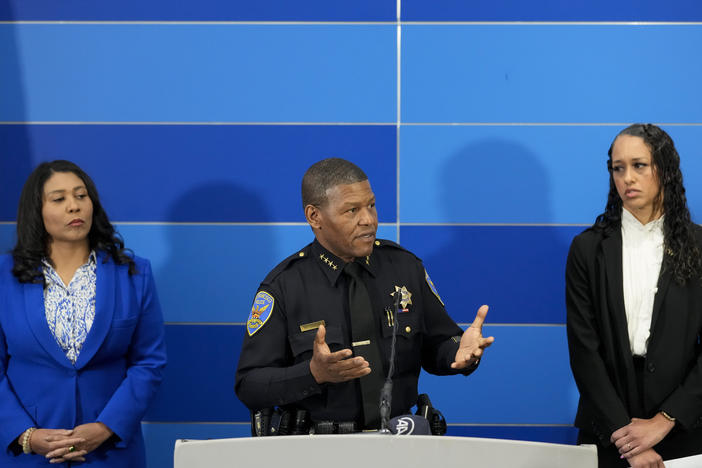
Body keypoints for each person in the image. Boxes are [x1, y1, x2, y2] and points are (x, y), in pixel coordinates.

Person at [235, 157, 494, 433]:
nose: (368, 220)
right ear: (314, 216)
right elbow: (249, 385)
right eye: (352, 210)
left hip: (402, 445)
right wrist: (313, 374)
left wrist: (461, 352)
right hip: (318, 454)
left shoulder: (405, 268)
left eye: (371, 205)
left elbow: (439, 347)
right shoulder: (284, 286)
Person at [0, 160, 167, 466]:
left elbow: (148, 361)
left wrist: (107, 427)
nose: (74, 207)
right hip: (28, 454)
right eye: (59, 199)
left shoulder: (133, 274)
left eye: (81, 196)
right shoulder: (3, 277)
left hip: (109, 452)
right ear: (36, 211)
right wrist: (26, 435)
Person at [566, 124, 702, 468]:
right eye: (618, 167)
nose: (627, 177)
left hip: (685, 426)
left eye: (639, 165)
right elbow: (584, 350)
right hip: (607, 427)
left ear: (666, 170)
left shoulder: (699, 246)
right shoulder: (587, 248)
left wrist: (665, 420)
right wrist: (628, 439)